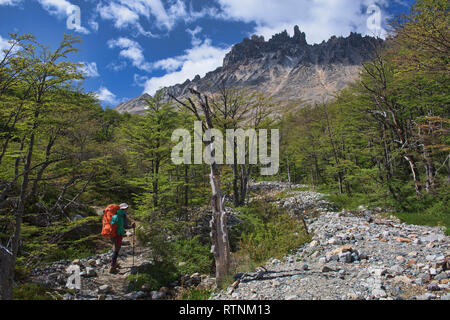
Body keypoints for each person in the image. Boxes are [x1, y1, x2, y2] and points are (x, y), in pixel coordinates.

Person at [109, 203, 135, 273]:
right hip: (118, 234)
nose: (127, 210)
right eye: (127, 208)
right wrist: (132, 226)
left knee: (114, 247)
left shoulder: (114, 213)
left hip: (111, 233)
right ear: (125, 209)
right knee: (116, 250)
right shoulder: (123, 215)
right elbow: (125, 226)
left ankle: (114, 263)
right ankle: (112, 267)